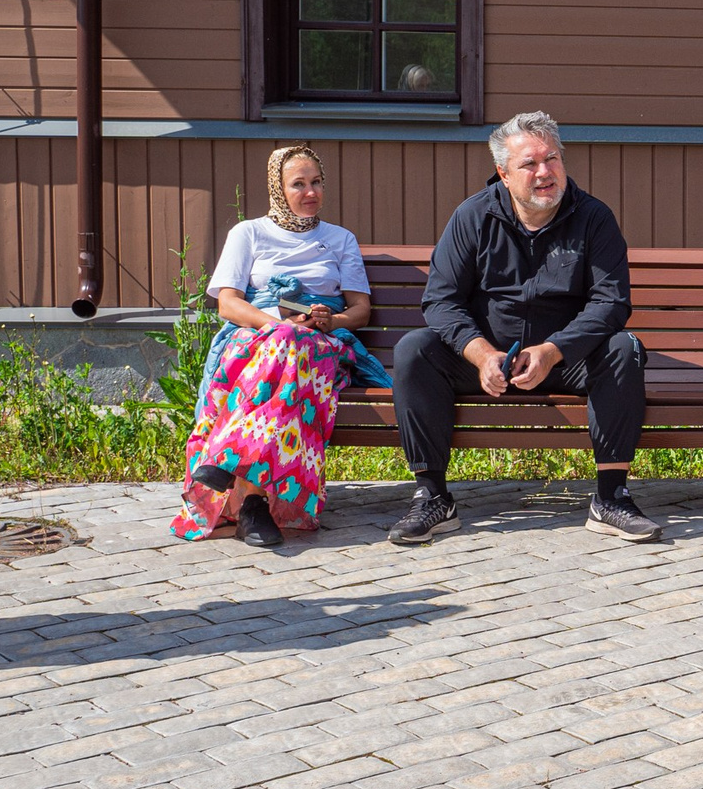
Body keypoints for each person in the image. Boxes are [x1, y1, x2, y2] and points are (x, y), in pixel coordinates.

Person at [386, 110, 661, 546]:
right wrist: (478, 353)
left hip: (566, 358)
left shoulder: (594, 218)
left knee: (623, 348)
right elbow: (440, 300)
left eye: (551, 159)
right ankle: (433, 497)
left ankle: (612, 498)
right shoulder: (472, 217)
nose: (544, 172)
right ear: (503, 173)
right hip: (485, 359)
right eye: (529, 164)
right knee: (414, 350)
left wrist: (553, 350)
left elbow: (611, 302)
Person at [174, 146, 389, 548]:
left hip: (320, 345)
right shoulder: (248, 233)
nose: (311, 192)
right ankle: (253, 506)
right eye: (299, 184)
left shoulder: (340, 239)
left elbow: (360, 310)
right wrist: (277, 327)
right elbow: (228, 303)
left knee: (293, 345)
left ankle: (225, 464)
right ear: (278, 188)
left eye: (317, 182)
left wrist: (330, 320)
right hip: (259, 337)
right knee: (285, 346)